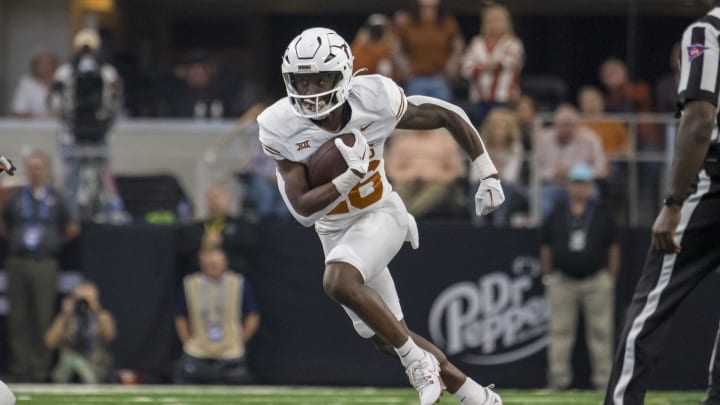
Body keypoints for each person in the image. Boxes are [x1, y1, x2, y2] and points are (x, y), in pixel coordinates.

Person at [258, 27, 504, 405]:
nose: (309, 92)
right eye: (301, 82)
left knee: (338, 280)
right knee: (386, 337)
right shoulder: (278, 125)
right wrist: (346, 179)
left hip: (381, 213)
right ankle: (477, 397)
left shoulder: (375, 98)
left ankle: (416, 363)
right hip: (333, 229)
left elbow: (446, 114)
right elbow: (303, 210)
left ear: (342, 75)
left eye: (319, 80)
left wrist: (486, 171)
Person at [604, 3, 720, 405]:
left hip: (712, 188)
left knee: (650, 307)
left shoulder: (708, 32)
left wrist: (674, 202)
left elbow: (701, 119)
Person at [0, 150, 80, 382]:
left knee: (43, 315)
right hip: (18, 261)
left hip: (45, 262)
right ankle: (20, 366)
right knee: (19, 317)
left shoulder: (57, 197)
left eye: (39, 167)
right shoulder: (15, 197)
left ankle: (40, 367)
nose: (35, 171)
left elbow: (72, 226)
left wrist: (53, 241)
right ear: (27, 170)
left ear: (46, 170)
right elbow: (3, 224)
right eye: (32, 167)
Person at [540, 163, 620, 391]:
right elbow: (545, 244)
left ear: (591, 186)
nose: (579, 188)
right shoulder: (557, 211)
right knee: (559, 332)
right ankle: (558, 380)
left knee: (601, 333)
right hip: (562, 280)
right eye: (575, 183)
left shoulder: (602, 212)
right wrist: (548, 274)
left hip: (596, 281)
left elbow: (614, 247)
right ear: (569, 186)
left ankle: (604, 381)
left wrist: (610, 277)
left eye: (584, 183)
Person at [49, 28, 126, 223]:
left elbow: (116, 100)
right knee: (70, 176)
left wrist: (107, 120)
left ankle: (111, 213)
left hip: (99, 130)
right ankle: (67, 216)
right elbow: (54, 100)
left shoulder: (107, 72)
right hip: (72, 131)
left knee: (105, 173)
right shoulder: (65, 72)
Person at [174, 246, 260, 385]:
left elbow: (253, 316)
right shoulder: (190, 284)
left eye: (216, 263)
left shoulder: (237, 283)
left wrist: (239, 340)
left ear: (225, 261)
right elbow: (180, 317)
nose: (213, 266)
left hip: (230, 353)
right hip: (198, 352)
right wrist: (188, 342)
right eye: (209, 263)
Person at [535, 104, 607, 219]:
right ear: (555, 124)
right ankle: (545, 232)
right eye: (561, 125)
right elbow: (535, 169)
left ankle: (585, 230)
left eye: (568, 125)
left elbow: (601, 169)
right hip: (552, 186)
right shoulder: (543, 139)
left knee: (594, 193)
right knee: (537, 195)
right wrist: (553, 173)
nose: (564, 129)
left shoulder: (591, 139)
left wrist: (576, 173)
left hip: (581, 185)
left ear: (576, 125)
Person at [461, 4, 524, 125]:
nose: (494, 24)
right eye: (490, 21)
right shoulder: (476, 43)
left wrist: (482, 66)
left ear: (506, 22)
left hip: (505, 98)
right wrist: (493, 65)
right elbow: (466, 69)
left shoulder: (513, 42)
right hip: (479, 99)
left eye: (498, 20)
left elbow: (511, 62)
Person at [177, 185, 256, 278]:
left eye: (217, 197)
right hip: (200, 280)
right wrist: (203, 242)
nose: (214, 202)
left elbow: (250, 245)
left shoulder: (240, 224)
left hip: (234, 278)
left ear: (227, 199)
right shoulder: (196, 228)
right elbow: (184, 251)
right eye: (210, 198)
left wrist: (223, 239)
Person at [45, 281, 117, 383]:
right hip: (69, 366)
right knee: (70, 358)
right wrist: (64, 316)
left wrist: (98, 311)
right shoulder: (67, 318)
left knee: (81, 365)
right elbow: (50, 342)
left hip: (95, 365)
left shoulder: (102, 317)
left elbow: (110, 336)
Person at [384, 129, 465, 219]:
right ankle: (403, 217)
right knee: (398, 190)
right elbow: (392, 167)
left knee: (434, 192)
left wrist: (442, 179)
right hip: (407, 180)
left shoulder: (446, 142)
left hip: (435, 182)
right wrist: (405, 177)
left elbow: (456, 168)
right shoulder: (403, 142)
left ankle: (406, 216)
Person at [395, 0, 464, 101]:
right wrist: (405, 69)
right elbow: (397, 49)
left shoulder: (448, 22)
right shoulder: (408, 22)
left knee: (443, 113)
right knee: (416, 114)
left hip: (440, 79)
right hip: (415, 79)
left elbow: (458, 47)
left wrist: (451, 69)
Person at [471, 108, 525, 226]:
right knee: (475, 186)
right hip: (483, 183)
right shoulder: (481, 144)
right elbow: (474, 175)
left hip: (506, 185)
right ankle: (477, 222)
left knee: (505, 187)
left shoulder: (515, 147)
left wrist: (491, 173)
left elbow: (511, 176)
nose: (499, 132)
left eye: (503, 128)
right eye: (496, 127)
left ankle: (499, 223)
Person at [11, 50, 59, 119]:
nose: (45, 67)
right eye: (42, 63)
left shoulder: (62, 81)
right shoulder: (26, 83)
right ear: (35, 66)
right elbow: (18, 111)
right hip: (32, 128)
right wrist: (43, 117)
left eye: (49, 63)